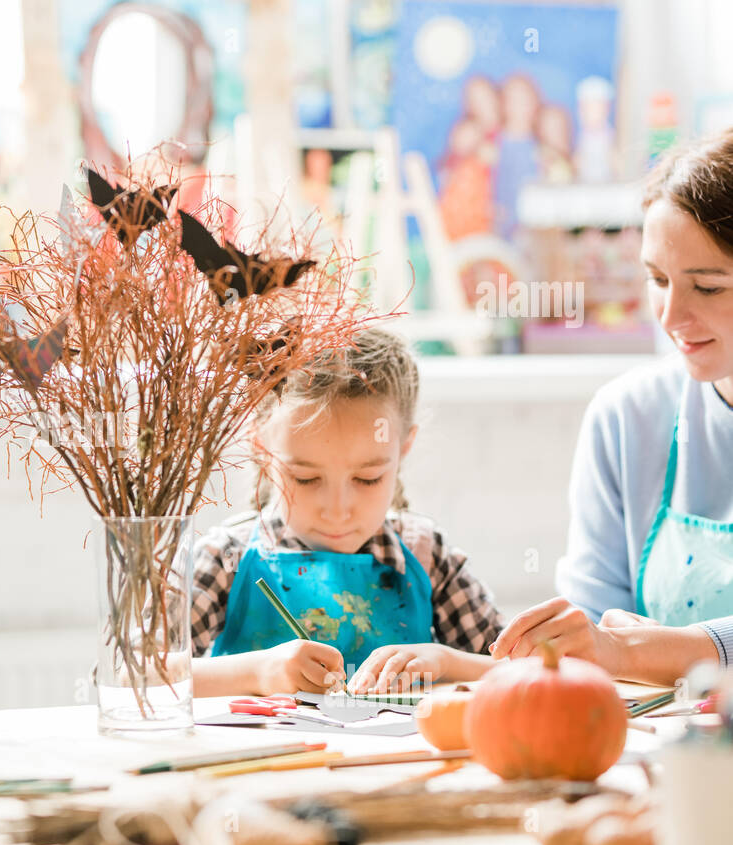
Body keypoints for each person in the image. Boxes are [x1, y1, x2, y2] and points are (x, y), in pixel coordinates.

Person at [494, 131, 733, 684]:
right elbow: (591, 638)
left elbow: (620, 649)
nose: (671, 316)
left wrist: (665, 651)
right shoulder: (627, 417)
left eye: (708, 287)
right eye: (657, 279)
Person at [189, 327, 505, 697]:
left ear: (403, 448)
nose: (337, 511)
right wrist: (259, 672)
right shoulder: (227, 558)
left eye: (367, 478)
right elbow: (135, 673)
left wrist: (446, 662)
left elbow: (524, 671)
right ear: (260, 446)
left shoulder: (426, 556)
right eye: (305, 478)